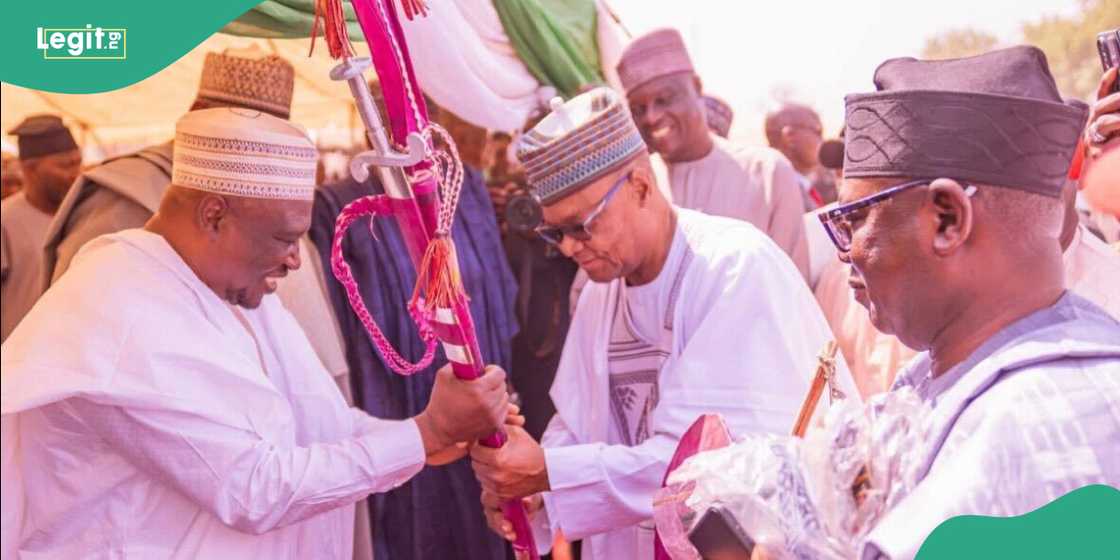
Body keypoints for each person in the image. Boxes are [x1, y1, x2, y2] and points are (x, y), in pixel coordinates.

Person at [0, 108, 511, 559]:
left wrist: (426, 433)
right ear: (215, 215)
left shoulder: (229, 283)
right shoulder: (121, 309)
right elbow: (254, 489)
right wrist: (426, 434)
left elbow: (313, 423)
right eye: (284, 238)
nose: (295, 259)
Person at [469, 87, 851, 559]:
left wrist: (550, 472)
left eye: (580, 225)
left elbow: (709, 470)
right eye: (555, 232)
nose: (568, 247)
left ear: (641, 186)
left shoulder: (733, 268)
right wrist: (532, 496)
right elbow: (576, 424)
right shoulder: (598, 290)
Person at [815, 46, 1120, 558]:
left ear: (947, 220)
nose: (848, 252)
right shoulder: (959, 376)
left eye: (855, 220)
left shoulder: (1024, 428)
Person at [309, 94, 519, 560]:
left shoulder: (467, 196)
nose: (396, 135)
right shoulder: (335, 208)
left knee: (480, 520)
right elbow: (336, 326)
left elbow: (499, 303)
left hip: (473, 403)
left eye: (407, 121)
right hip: (394, 407)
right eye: (381, 122)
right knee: (407, 529)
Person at [41, 47, 295, 288]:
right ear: (197, 115)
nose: (259, 152)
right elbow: (81, 308)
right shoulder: (128, 192)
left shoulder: (253, 197)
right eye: (248, 134)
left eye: (271, 140)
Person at [617, 28, 810, 280]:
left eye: (664, 99)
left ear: (696, 88)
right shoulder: (636, 186)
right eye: (639, 109)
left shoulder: (766, 172)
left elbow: (792, 287)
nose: (651, 116)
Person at [1, 115, 81, 341]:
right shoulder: (6, 220)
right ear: (31, 169)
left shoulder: (85, 215)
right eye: (65, 165)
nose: (76, 173)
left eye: (78, 161)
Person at [765, 103, 836, 209]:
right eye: (818, 131)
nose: (822, 140)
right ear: (790, 136)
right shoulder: (783, 196)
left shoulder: (798, 188)